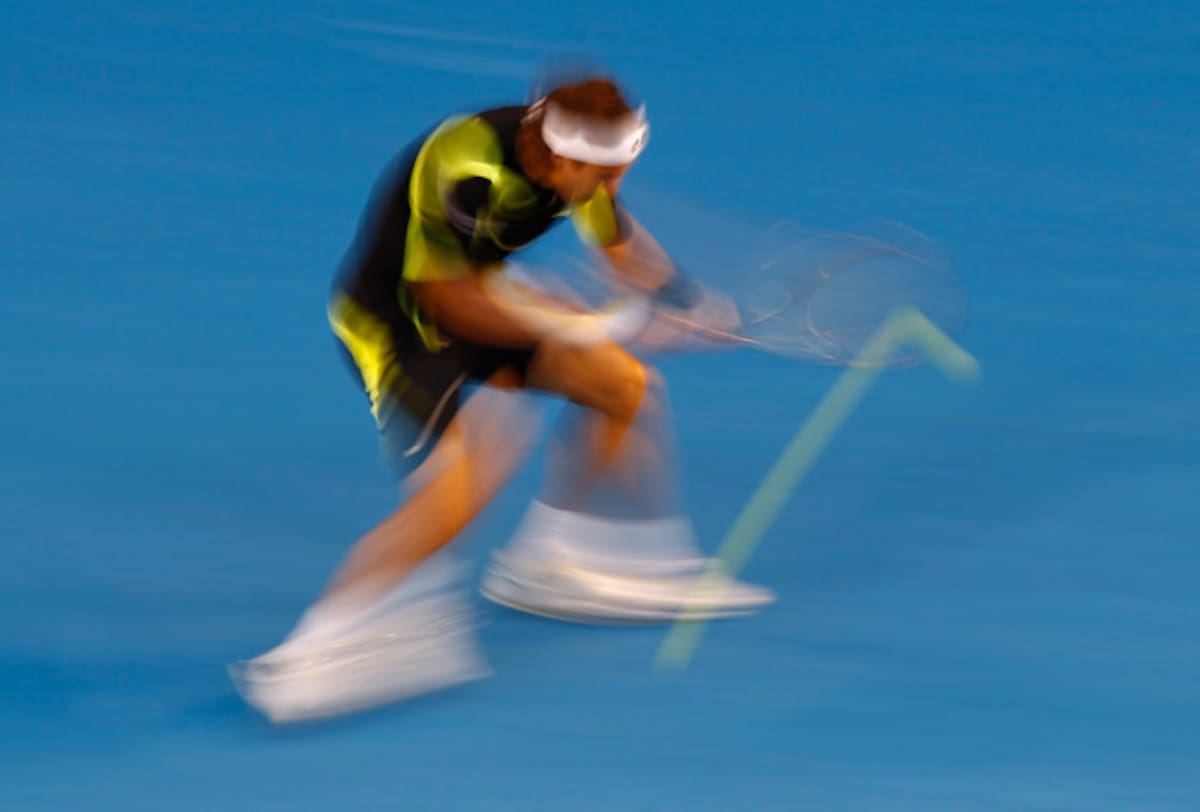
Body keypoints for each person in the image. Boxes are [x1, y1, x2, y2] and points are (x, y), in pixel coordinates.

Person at [230, 74, 775, 723]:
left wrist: (683, 300)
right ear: (560, 158)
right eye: (604, 175)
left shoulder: (580, 166)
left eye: (622, 172)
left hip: (483, 297)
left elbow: (619, 243)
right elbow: (444, 300)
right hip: (397, 322)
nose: (613, 190)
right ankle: (314, 647)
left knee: (624, 385)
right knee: (466, 476)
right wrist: (584, 322)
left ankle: (555, 561)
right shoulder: (466, 165)